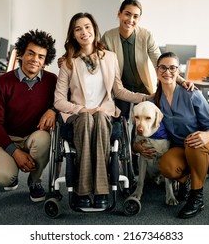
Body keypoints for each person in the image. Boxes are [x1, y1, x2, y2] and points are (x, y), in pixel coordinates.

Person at [54, 12, 149, 209]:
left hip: (104, 115)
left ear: (94, 29)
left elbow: (118, 91)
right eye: (78, 29)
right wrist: (82, 109)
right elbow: (59, 100)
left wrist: (145, 97)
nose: (84, 32)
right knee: (89, 118)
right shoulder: (68, 63)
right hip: (78, 116)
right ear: (73, 34)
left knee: (97, 116)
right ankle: (98, 190)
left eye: (87, 27)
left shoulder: (110, 58)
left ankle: (88, 190)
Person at [134, 52, 209, 219]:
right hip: (181, 150)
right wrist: (137, 147)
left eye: (172, 68)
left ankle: (197, 198)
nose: (167, 71)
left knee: (193, 142)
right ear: (157, 70)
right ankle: (185, 181)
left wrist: (206, 135)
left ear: (178, 72)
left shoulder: (192, 94)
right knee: (166, 166)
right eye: (163, 67)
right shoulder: (155, 101)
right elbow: (147, 129)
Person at [0, 29, 57, 203]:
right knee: (3, 179)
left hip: (35, 136)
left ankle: (35, 181)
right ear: (21, 54)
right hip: (9, 137)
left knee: (44, 139)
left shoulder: (52, 80)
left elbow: (66, 100)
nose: (35, 59)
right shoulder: (2, 82)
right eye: (31, 53)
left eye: (41, 56)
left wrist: (53, 110)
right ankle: (13, 171)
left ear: (45, 61)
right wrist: (15, 152)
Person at [100, 0, 194, 119]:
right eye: (127, 14)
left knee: (143, 123)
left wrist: (182, 81)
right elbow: (97, 59)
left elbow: (160, 62)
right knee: (120, 120)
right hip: (120, 89)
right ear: (119, 14)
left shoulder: (146, 36)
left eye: (135, 16)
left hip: (143, 87)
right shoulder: (108, 36)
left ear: (139, 19)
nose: (130, 20)